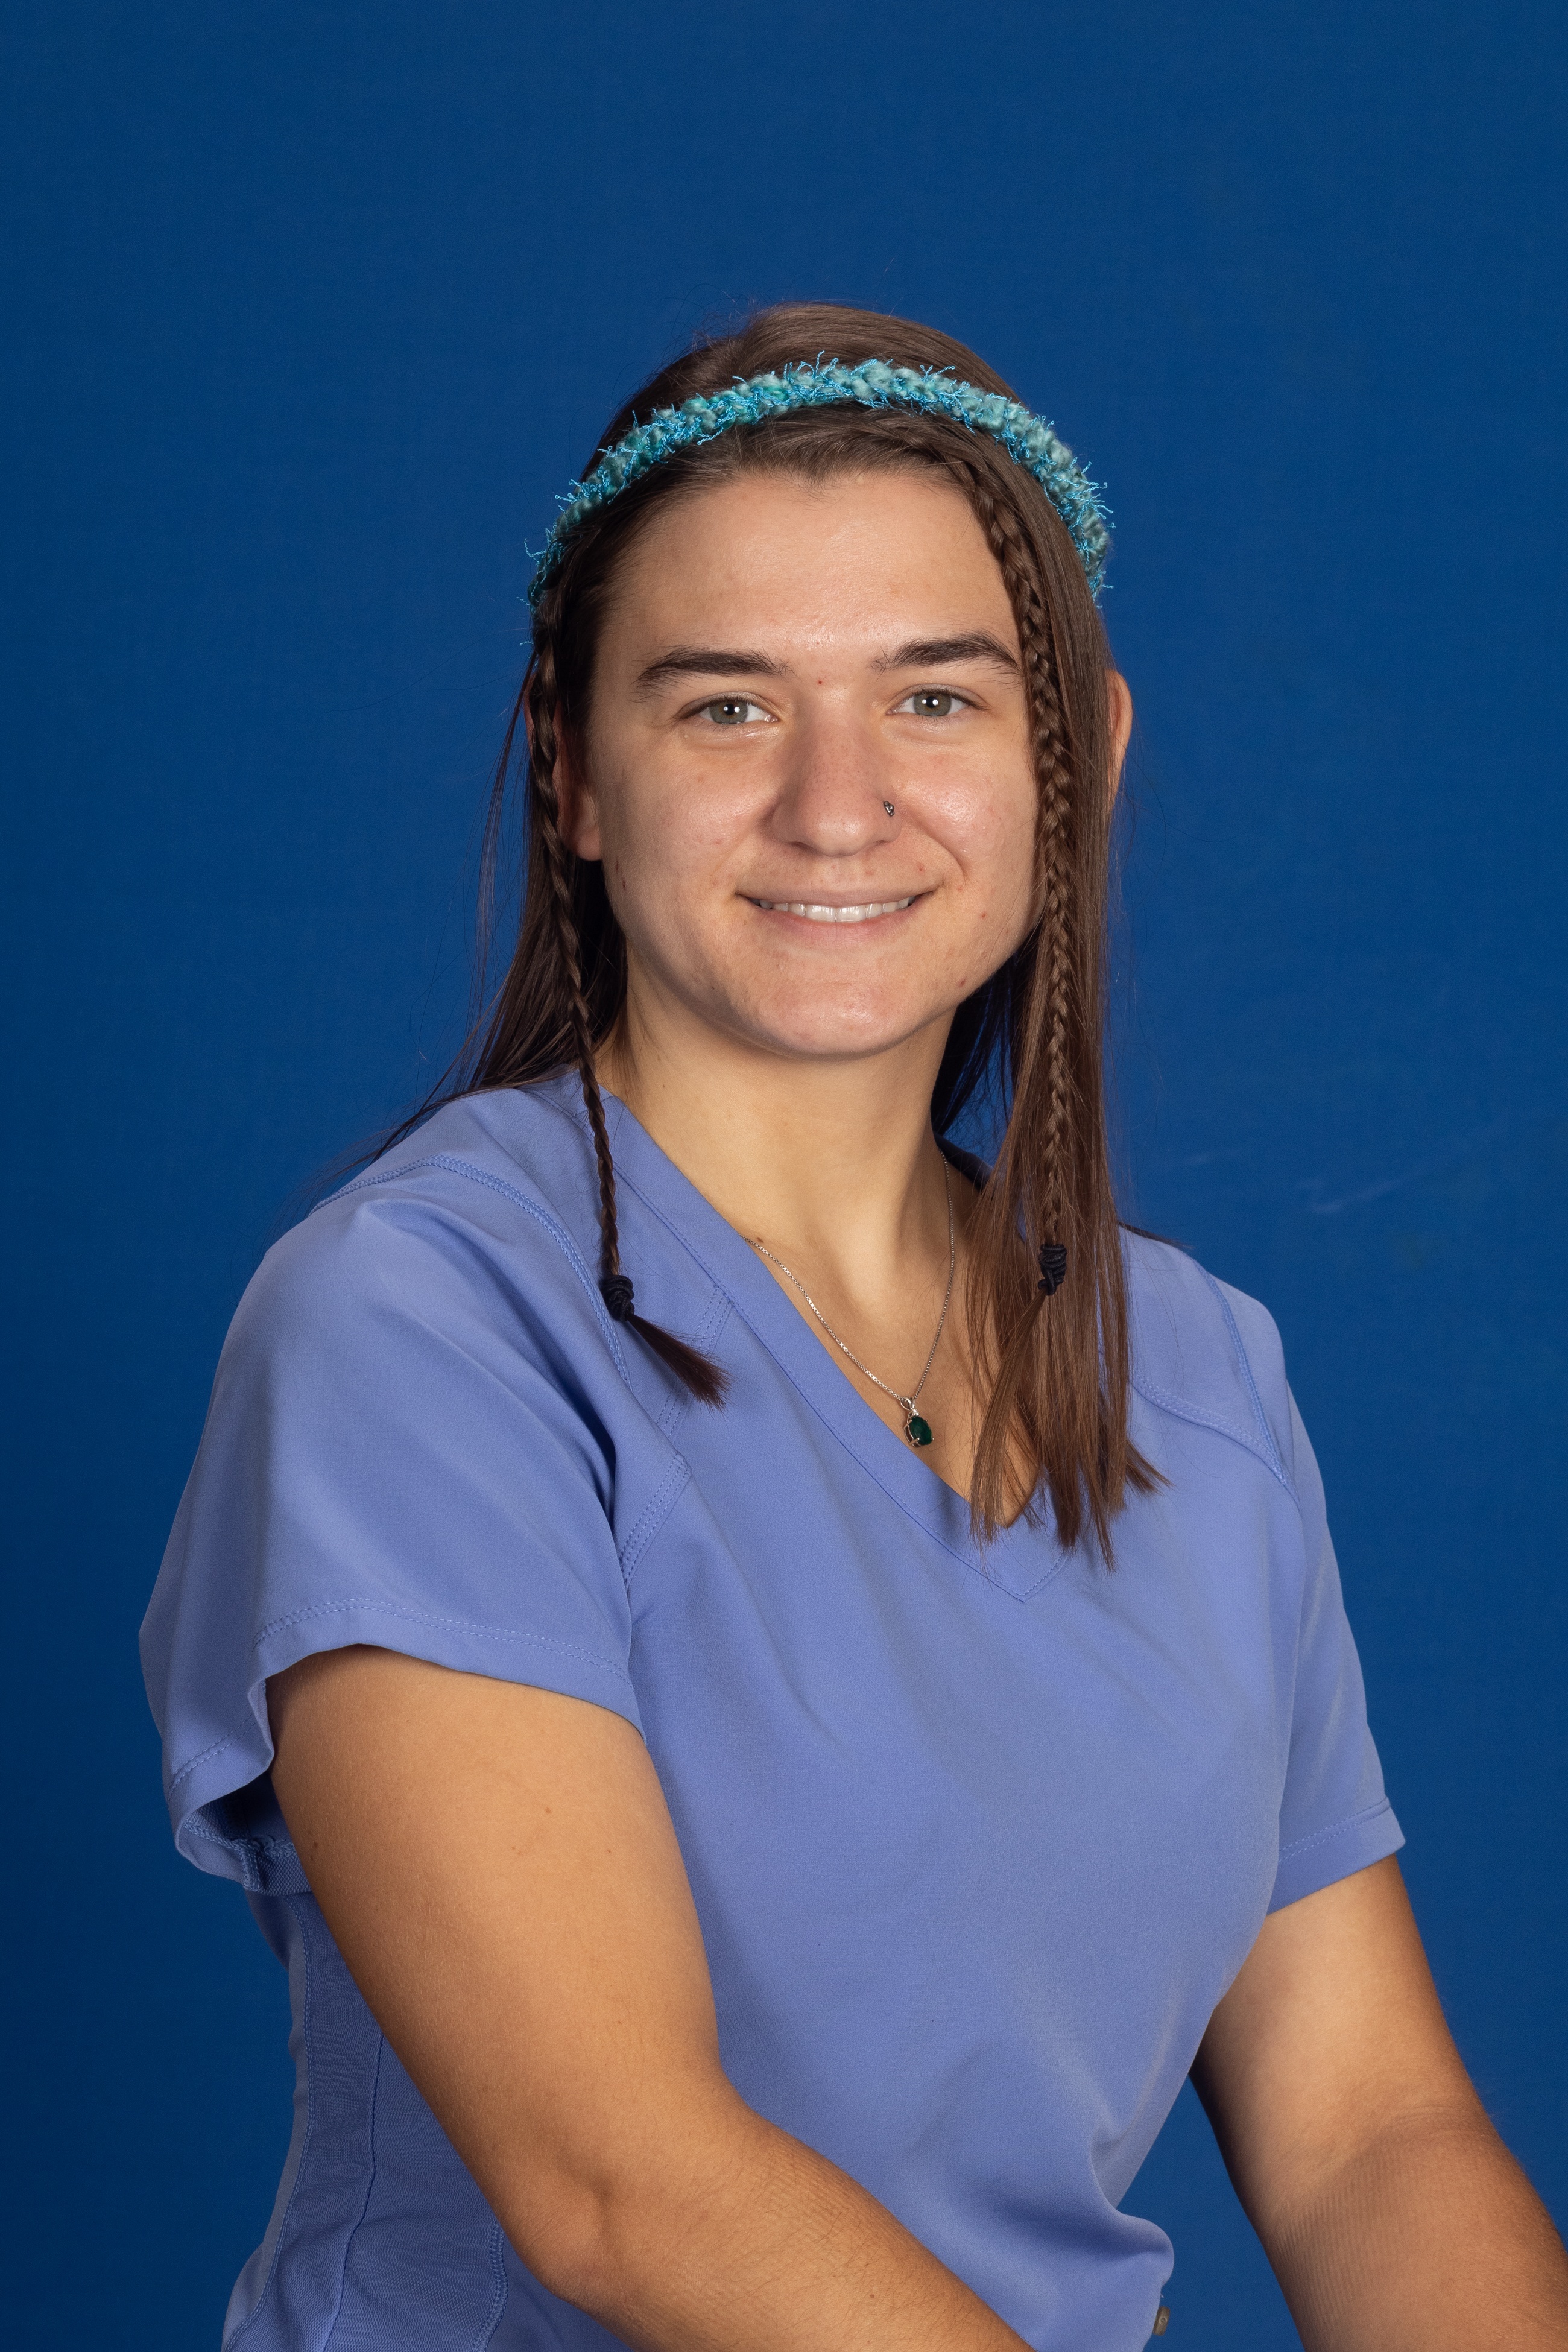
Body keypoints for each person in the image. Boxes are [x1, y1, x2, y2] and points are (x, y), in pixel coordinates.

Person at [141, 303, 1568, 2352]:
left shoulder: (1196, 1371)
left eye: (935, 697)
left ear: (1079, 761)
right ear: (575, 772)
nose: (838, 801)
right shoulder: (421, 1320)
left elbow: (1370, 2132)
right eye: (728, 705)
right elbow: (621, 2180)